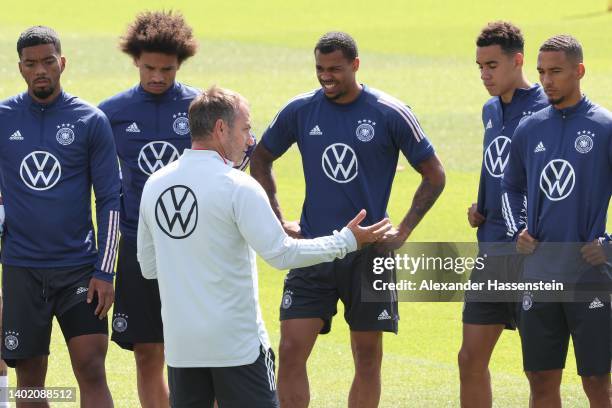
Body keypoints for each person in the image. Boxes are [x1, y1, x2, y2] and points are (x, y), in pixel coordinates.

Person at [137, 85, 391, 407]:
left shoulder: (155, 184)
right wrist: (346, 241)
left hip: (182, 347)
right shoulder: (238, 186)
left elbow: (148, 266)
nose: (249, 139)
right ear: (220, 129)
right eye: (245, 128)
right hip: (238, 347)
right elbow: (282, 253)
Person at [250, 31, 446, 407]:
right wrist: (278, 220)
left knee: (368, 357)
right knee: (290, 350)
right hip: (313, 250)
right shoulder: (300, 110)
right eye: (320, 69)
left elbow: (434, 174)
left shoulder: (389, 113)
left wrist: (403, 230)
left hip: (370, 255)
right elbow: (260, 158)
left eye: (335, 69)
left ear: (355, 65)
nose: (326, 77)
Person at [98, 11, 222, 407]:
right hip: (136, 245)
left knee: (206, 352)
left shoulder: (200, 108)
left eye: (166, 69)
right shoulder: (109, 113)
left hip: (193, 246)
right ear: (136, 60)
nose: (157, 76)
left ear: (179, 65)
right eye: (149, 67)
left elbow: (238, 157)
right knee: (148, 352)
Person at [0, 26, 120, 407]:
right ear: (20, 68)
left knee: (90, 367)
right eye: (31, 63)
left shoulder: (90, 120)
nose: (41, 70)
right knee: (30, 377)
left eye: (48, 62)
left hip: (79, 270)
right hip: (21, 269)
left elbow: (110, 200)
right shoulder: (3, 118)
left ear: (62, 63)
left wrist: (105, 270)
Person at [502, 35, 611, 407]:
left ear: (579, 71)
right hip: (539, 273)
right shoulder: (529, 128)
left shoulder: (604, 127)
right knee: (541, 379)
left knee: (597, 381)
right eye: (541, 72)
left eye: (556, 72)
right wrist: (519, 228)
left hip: (590, 276)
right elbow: (510, 188)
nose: (547, 81)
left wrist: (609, 245)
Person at [458, 21, 548, 408]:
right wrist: (481, 204)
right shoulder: (490, 110)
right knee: (469, 358)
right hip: (492, 250)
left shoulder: (548, 108)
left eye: (492, 65)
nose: (484, 75)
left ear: (518, 61)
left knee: (540, 370)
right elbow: (494, 166)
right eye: (479, 66)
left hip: (535, 257)